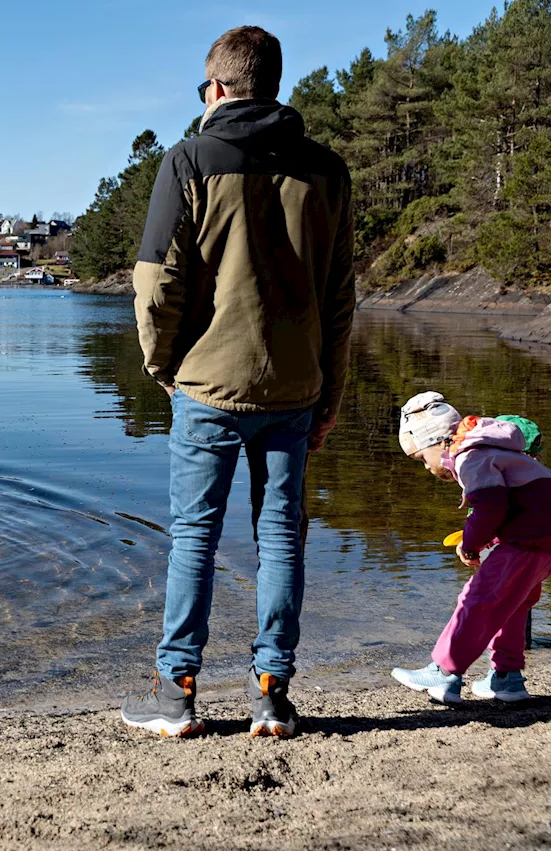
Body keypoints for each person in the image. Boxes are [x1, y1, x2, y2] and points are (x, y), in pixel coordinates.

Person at [120, 25, 355, 739]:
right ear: (273, 85)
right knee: (281, 537)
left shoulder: (189, 159)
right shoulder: (328, 170)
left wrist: (161, 366)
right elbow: (341, 295)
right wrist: (330, 394)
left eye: (203, 89)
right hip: (295, 390)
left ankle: (176, 692)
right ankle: (272, 694)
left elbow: (156, 284)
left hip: (208, 387)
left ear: (217, 88)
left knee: (195, 535)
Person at [392, 393, 552, 704]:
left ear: (440, 443)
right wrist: (489, 539)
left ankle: (443, 671)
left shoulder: (469, 456)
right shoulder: (497, 452)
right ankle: (507, 678)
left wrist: (471, 542)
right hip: (543, 541)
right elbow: (521, 504)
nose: (426, 467)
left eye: (423, 459)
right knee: (513, 604)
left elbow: (490, 507)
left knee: (476, 600)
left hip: (527, 541)